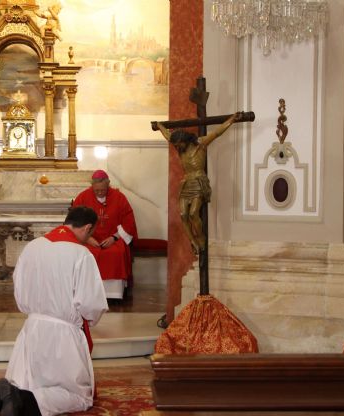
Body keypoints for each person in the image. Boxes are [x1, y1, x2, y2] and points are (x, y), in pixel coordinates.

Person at [0, 206, 108, 416]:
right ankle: (19, 400)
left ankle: (5, 395)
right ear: (87, 228)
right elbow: (92, 302)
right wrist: (88, 321)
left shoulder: (33, 246)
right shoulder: (81, 254)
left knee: (28, 381)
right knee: (78, 396)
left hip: (33, 328)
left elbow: (18, 285)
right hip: (63, 334)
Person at [152, 113, 245, 253]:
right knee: (183, 215)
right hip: (186, 183)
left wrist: (231, 119)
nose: (177, 148)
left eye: (179, 144)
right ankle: (192, 241)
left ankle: (200, 237)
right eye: (175, 145)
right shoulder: (179, 148)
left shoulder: (200, 143)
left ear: (185, 140)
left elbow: (217, 132)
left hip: (198, 181)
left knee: (193, 213)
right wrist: (159, 125)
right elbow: (167, 134)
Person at [72, 170, 138, 299]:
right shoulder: (83, 197)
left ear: (108, 185)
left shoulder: (119, 198)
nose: (100, 193)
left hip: (113, 238)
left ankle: (113, 294)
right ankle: (88, 292)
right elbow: (75, 221)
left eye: (103, 190)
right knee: (85, 253)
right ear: (92, 186)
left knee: (116, 253)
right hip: (88, 238)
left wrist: (114, 238)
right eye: (97, 190)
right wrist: (88, 238)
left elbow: (129, 221)